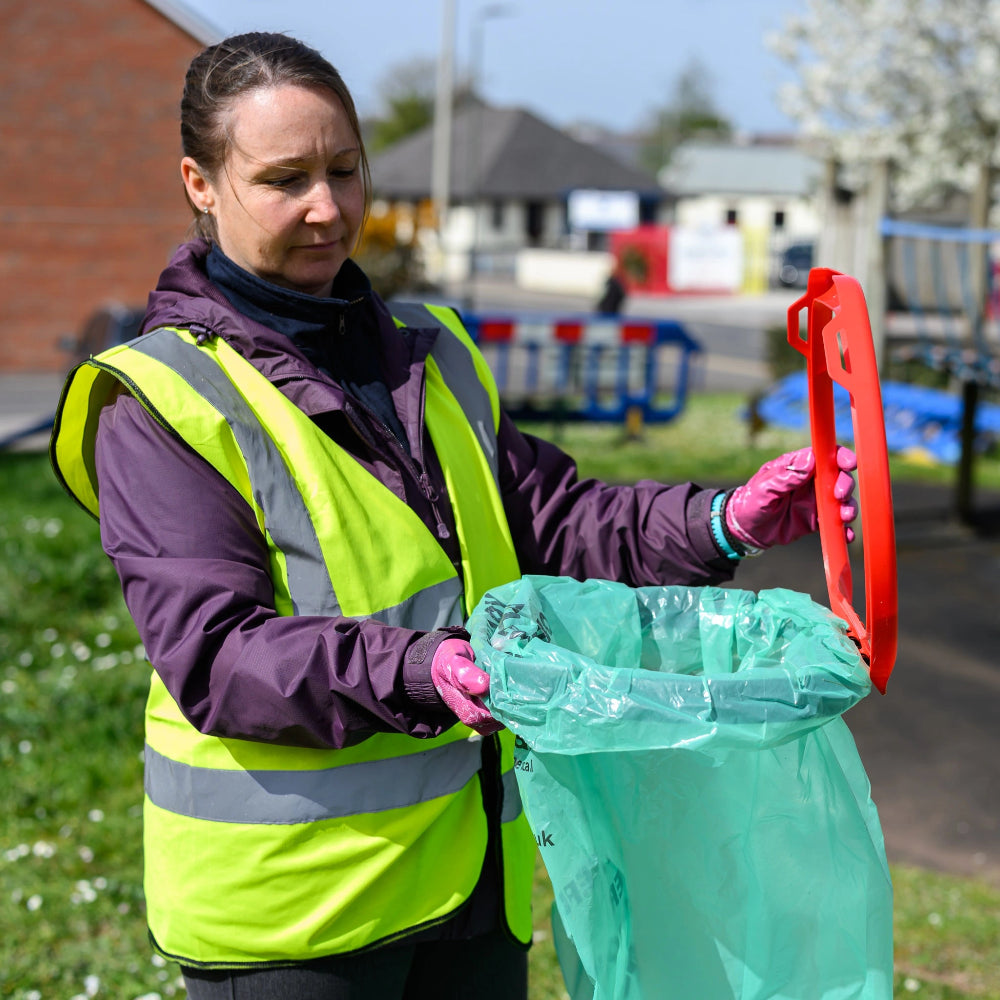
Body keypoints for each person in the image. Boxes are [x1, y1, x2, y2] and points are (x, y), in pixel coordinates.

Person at [49, 32, 858, 1000]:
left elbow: (556, 521)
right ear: (201, 181)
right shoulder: (160, 398)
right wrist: (424, 670)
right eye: (284, 178)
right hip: (295, 919)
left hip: (469, 885)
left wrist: (726, 518)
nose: (327, 207)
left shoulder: (432, 354)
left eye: (345, 169)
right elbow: (216, 655)